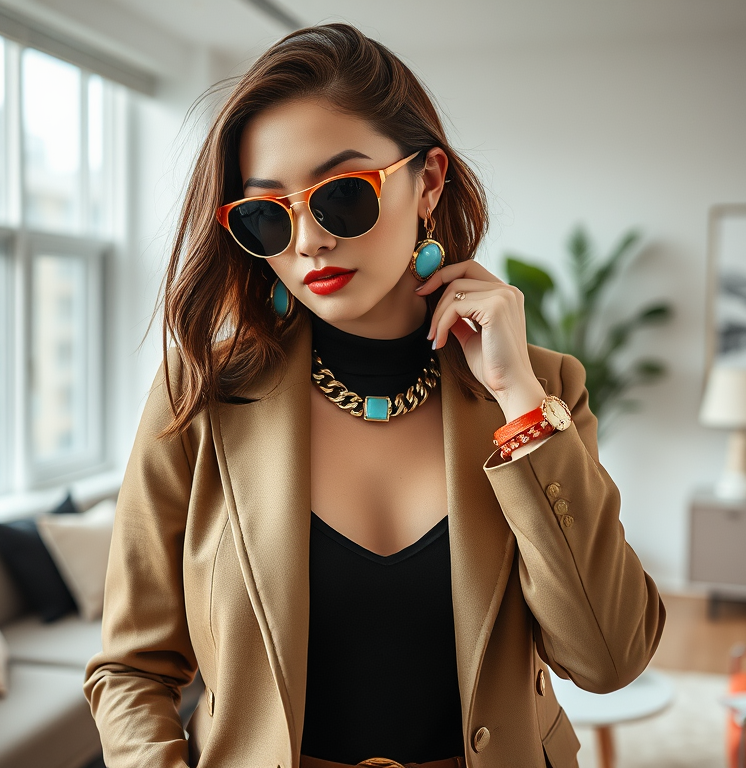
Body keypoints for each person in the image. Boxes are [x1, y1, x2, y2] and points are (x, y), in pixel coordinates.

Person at [82, 22, 665, 768]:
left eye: (341, 198)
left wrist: (517, 397)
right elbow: (131, 669)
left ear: (427, 183)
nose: (309, 242)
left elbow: (610, 658)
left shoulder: (544, 392)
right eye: (267, 215)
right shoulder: (199, 396)